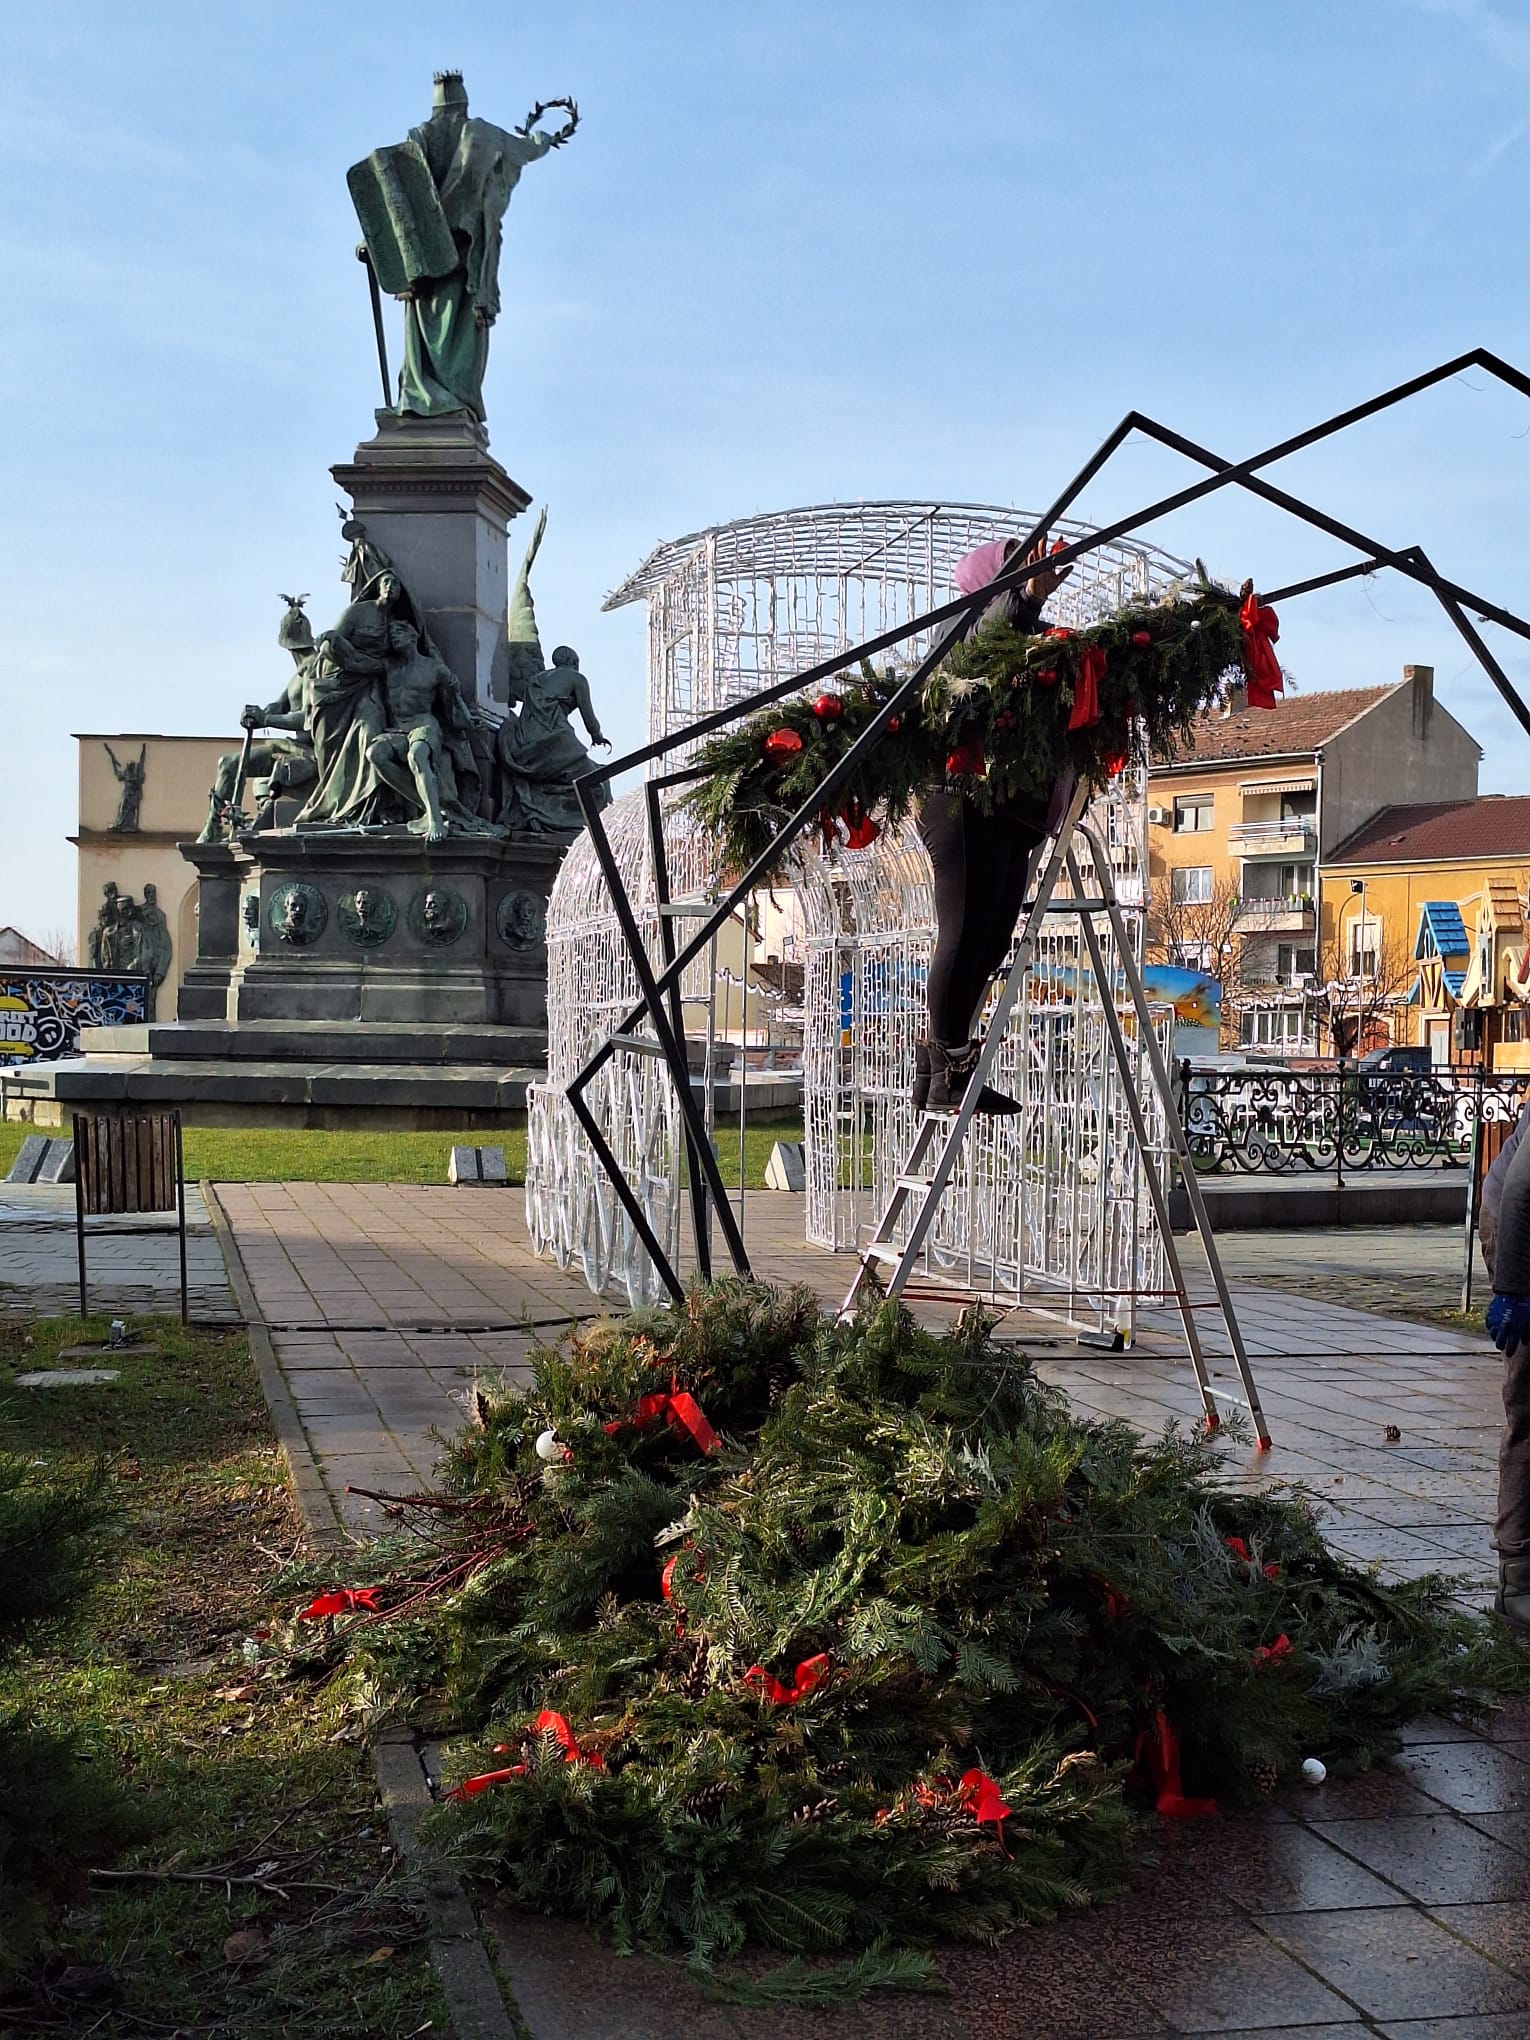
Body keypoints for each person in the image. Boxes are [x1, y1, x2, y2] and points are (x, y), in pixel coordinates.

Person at [914, 535, 1072, 1115]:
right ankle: (950, 1067)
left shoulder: (1032, 637)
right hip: (960, 799)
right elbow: (978, 650)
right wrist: (1025, 596)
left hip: (1009, 811)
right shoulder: (963, 625)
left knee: (993, 939)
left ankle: (937, 1066)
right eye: (1011, 571)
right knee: (962, 933)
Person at [1482, 1114, 1530, 1634]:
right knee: (1529, 1404)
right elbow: (1520, 1188)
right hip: (1517, 1225)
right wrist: (1514, 1289)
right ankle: (1517, 1581)